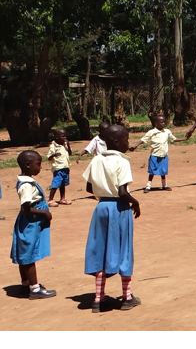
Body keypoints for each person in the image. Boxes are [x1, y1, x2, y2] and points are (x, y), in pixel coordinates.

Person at [83, 123, 141, 312]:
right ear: (116, 142)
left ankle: (98, 299)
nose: (128, 142)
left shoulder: (96, 160)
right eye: (126, 139)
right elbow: (123, 192)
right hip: (119, 208)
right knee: (124, 249)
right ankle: (127, 297)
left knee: (100, 249)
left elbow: (89, 188)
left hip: (101, 208)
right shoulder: (122, 162)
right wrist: (135, 202)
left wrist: (103, 192)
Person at [10, 149, 56, 299]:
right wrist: (44, 212)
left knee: (25, 254)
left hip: (30, 222)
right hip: (30, 223)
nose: (40, 167)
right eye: (38, 164)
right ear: (28, 165)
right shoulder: (26, 185)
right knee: (28, 255)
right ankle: (35, 289)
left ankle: (26, 284)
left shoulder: (27, 181)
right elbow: (26, 208)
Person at [130, 113, 177, 192]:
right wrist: (135, 146)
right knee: (152, 171)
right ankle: (148, 186)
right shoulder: (151, 132)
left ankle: (164, 185)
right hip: (155, 155)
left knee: (163, 171)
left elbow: (174, 139)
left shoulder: (167, 132)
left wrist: (185, 139)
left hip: (164, 155)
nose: (163, 123)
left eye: (164, 122)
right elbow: (144, 139)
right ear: (156, 123)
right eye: (161, 122)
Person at [46, 128, 72, 206]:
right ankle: (50, 200)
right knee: (56, 184)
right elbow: (49, 157)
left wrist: (68, 145)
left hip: (65, 167)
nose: (65, 138)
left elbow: (70, 153)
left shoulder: (64, 145)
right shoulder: (53, 146)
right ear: (57, 136)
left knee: (63, 184)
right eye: (63, 136)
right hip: (58, 168)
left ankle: (62, 198)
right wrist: (54, 155)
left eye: (65, 136)